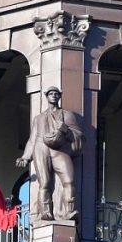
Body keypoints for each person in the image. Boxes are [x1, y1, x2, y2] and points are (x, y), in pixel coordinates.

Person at [17, 86, 83, 221]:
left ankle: (70, 211)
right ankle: (45, 212)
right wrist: (25, 157)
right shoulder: (39, 118)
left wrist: (65, 129)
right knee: (45, 182)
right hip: (41, 148)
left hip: (60, 149)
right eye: (51, 94)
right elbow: (32, 139)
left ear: (59, 97)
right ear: (46, 97)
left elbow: (79, 136)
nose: (53, 96)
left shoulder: (67, 115)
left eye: (56, 94)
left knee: (69, 180)